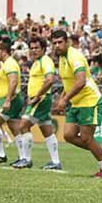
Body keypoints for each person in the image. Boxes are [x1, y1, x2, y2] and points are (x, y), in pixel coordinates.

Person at [51, 30, 102, 178]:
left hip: (89, 100)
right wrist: (63, 98)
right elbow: (69, 84)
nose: (57, 45)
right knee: (68, 135)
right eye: (54, 43)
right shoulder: (62, 58)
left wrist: (64, 100)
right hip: (76, 102)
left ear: (67, 42)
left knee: (86, 137)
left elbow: (80, 82)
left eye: (60, 42)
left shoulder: (75, 57)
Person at [13, 37, 62, 170]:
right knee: (47, 130)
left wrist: (37, 96)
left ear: (43, 49)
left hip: (40, 99)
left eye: (36, 48)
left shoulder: (45, 61)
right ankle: (56, 162)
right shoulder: (36, 62)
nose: (33, 50)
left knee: (23, 126)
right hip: (39, 98)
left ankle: (26, 159)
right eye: (31, 48)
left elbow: (50, 80)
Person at [0, 39, 25, 165]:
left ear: (4, 51)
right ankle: (23, 157)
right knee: (15, 128)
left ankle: (0, 154)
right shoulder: (7, 63)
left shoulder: (9, 64)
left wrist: (7, 100)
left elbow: (13, 81)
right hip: (15, 98)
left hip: (11, 98)